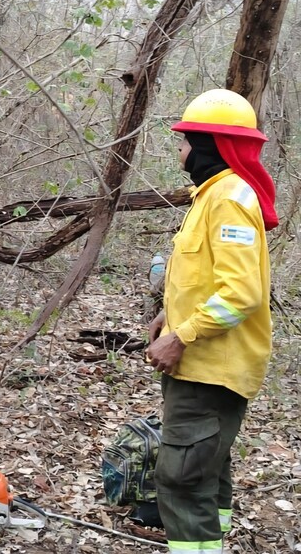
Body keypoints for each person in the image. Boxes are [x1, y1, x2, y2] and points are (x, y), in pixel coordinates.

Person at [147, 89, 276, 554]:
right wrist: (169, 314)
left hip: (211, 365)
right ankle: (210, 541)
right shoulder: (211, 195)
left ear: (206, 145)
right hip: (202, 363)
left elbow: (240, 293)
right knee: (207, 469)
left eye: (183, 141)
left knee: (181, 478)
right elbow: (207, 277)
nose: (178, 149)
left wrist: (182, 335)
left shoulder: (227, 199)